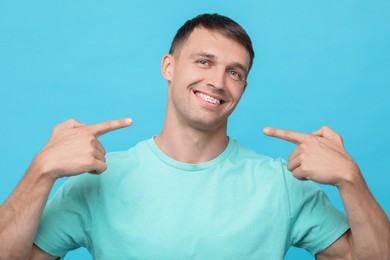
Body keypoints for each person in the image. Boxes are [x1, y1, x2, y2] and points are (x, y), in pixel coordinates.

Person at [0, 13, 389, 259]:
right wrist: (41, 171)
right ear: (169, 66)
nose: (218, 82)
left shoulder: (282, 185)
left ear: (243, 88)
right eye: (204, 61)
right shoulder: (99, 182)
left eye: (235, 72)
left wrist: (351, 180)